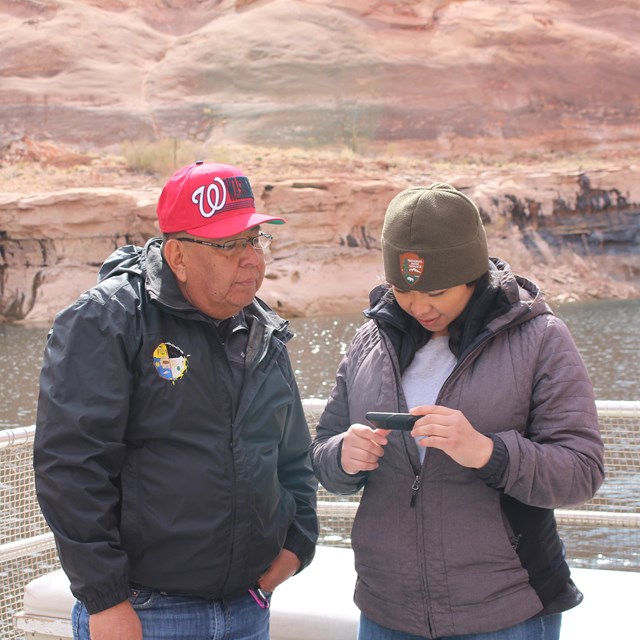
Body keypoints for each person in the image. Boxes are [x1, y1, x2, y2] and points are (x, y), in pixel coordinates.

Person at [34, 161, 319, 640]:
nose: (251, 259)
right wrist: (106, 601)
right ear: (178, 256)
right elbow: (71, 465)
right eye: (229, 245)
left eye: (255, 240)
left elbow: (290, 451)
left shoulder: (261, 328)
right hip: (145, 613)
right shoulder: (107, 321)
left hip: (248, 606)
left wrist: (298, 542)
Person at [310, 183, 604, 640]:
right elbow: (321, 453)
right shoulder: (370, 341)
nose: (420, 306)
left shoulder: (542, 338)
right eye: (403, 290)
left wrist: (489, 453)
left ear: (471, 273)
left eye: (438, 291)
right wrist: (343, 457)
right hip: (385, 610)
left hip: (506, 611)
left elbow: (583, 470)